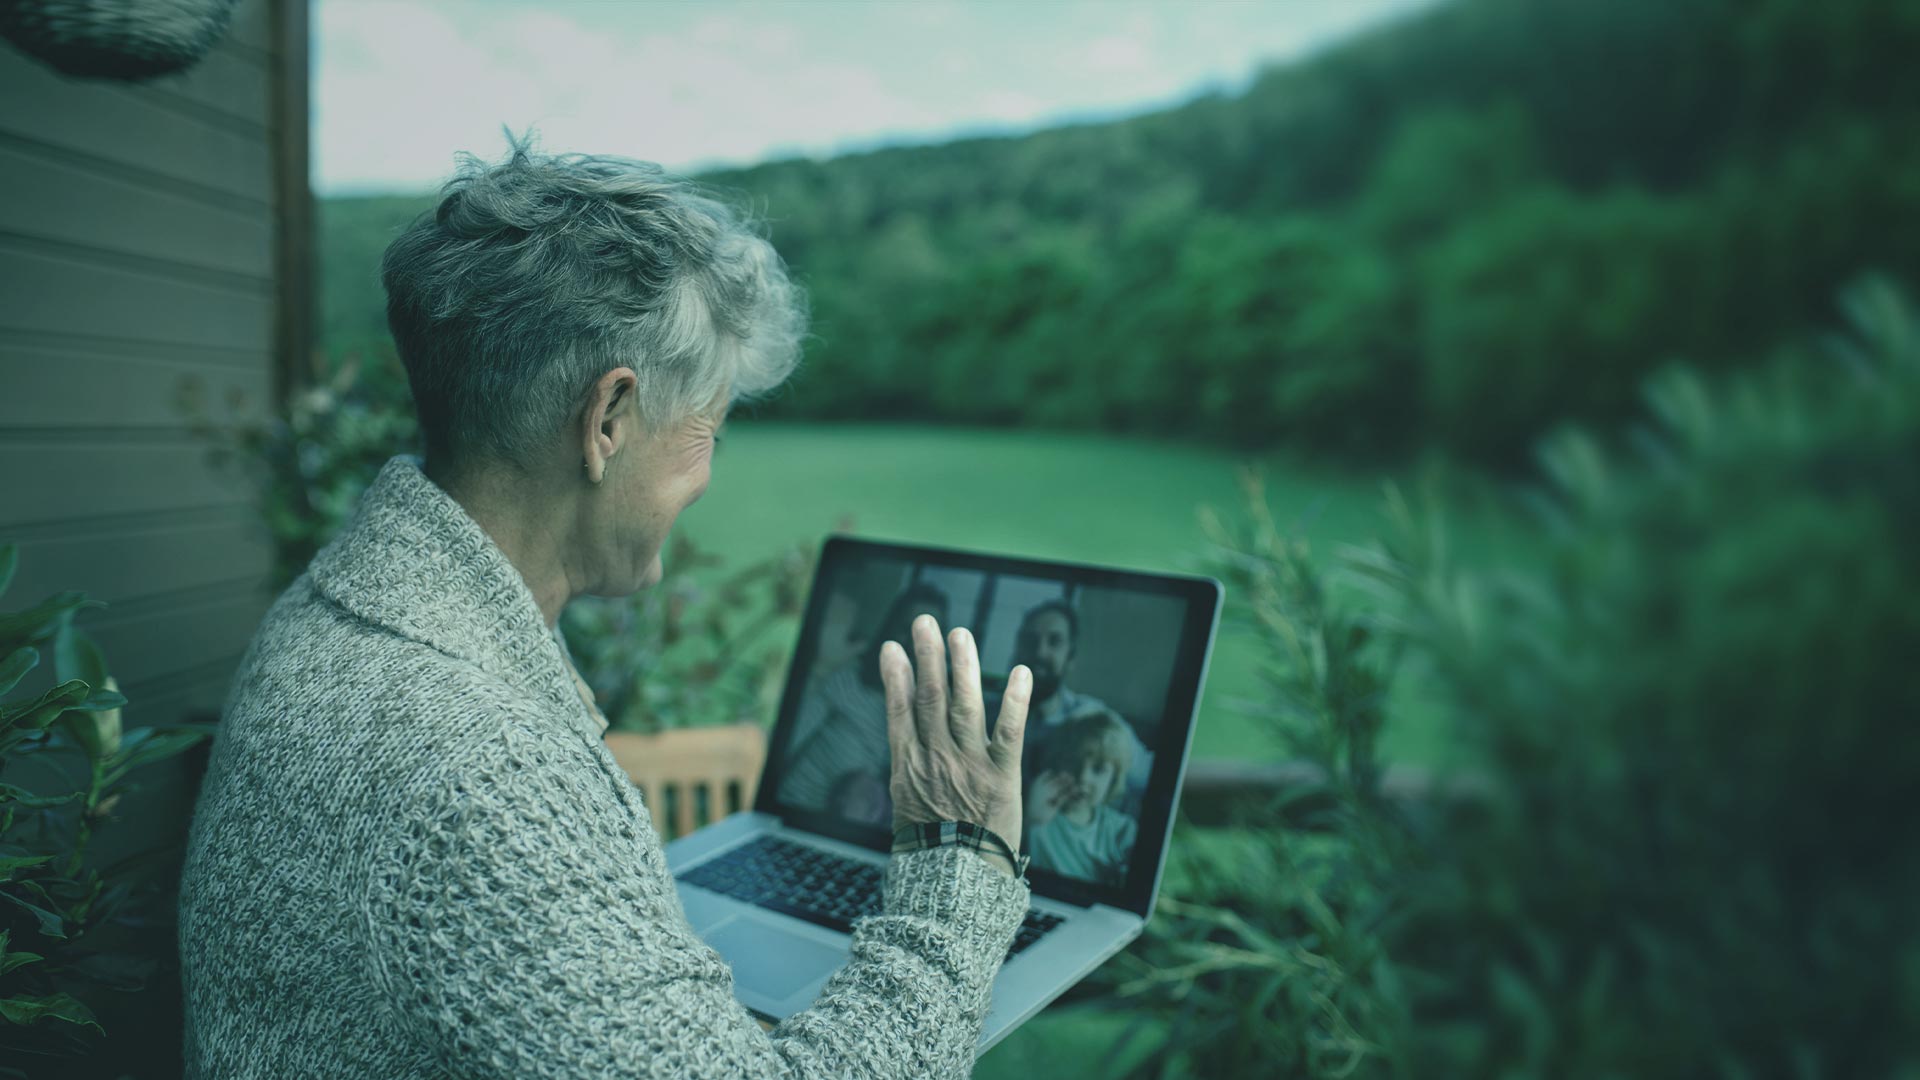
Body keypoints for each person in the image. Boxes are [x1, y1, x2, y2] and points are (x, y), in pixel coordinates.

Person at [177, 133, 1034, 1079]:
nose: (706, 476)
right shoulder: (480, 776)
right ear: (610, 422)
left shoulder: (341, 610)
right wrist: (960, 863)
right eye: (706, 425)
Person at [777, 582, 950, 825]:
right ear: (889, 630)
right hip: (799, 811)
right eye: (905, 630)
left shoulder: (930, 713)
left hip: (854, 833)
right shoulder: (849, 678)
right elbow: (787, 741)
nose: (914, 646)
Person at [1003, 598, 1154, 810]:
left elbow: (1148, 777)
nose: (1040, 652)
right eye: (1030, 641)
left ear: (1070, 657)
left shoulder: (1094, 717)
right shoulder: (988, 715)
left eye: (1054, 641)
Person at [1024, 705, 1140, 887]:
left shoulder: (1122, 831)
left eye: (1098, 769)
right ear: (1056, 763)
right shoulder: (1035, 814)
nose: (1083, 778)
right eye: (1073, 763)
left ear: (1113, 780)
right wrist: (1028, 819)